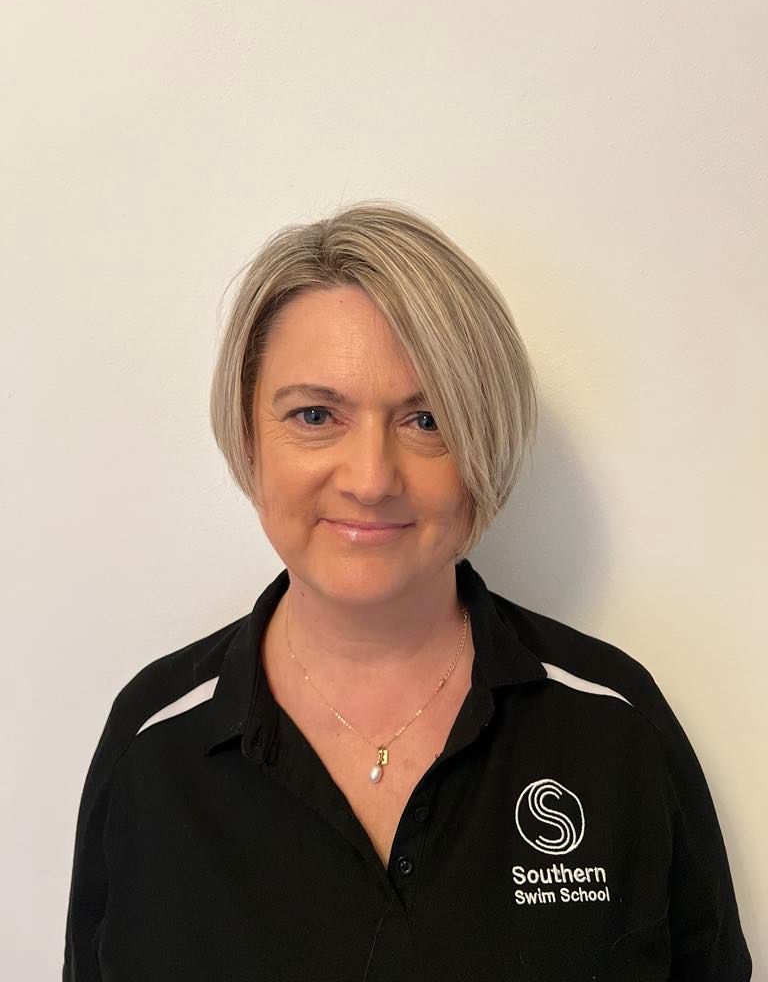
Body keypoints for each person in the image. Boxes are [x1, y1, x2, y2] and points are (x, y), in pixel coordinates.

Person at [62, 201, 752, 981]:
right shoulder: (155, 748)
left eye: (426, 419)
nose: (370, 479)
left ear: (482, 442)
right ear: (250, 439)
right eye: (315, 414)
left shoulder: (610, 725)